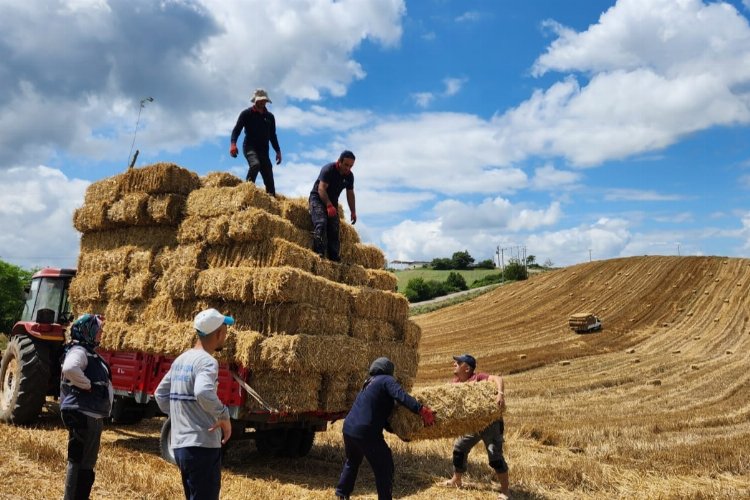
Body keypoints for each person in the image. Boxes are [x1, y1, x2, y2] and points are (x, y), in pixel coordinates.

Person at [155, 308, 235, 500]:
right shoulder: (207, 362)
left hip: (181, 445)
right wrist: (223, 415)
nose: (226, 335)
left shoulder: (181, 360)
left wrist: (182, 415)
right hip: (202, 446)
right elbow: (203, 391)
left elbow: (160, 394)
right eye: (225, 330)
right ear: (218, 333)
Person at [335, 357, 435, 500]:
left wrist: (399, 431)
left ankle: (342, 494)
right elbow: (401, 396)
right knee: (385, 465)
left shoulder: (368, 383)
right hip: (365, 431)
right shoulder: (386, 380)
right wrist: (421, 410)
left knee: (352, 461)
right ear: (389, 371)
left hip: (349, 429)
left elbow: (380, 414)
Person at [60, 313, 113, 500]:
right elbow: (69, 368)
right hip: (83, 413)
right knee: (79, 461)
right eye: (98, 329)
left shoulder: (89, 352)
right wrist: (88, 385)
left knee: (86, 464)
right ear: (87, 331)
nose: (101, 333)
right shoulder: (79, 351)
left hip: (91, 415)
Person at [444, 354, 510, 499]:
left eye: (458, 362)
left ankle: (505, 491)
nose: (454, 363)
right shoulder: (455, 383)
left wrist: (500, 394)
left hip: (490, 424)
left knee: (495, 456)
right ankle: (457, 480)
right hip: (472, 425)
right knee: (459, 448)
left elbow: (498, 378)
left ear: (467, 368)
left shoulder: (478, 378)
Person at [229, 88, 282, 196]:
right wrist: (233, 144)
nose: (263, 102)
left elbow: (273, 135)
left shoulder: (270, 117)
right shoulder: (246, 114)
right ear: (255, 101)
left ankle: (271, 201)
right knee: (255, 165)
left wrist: (278, 151)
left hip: (264, 150)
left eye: (264, 100)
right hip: (249, 147)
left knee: (269, 177)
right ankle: (246, 191)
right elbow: (236, 130)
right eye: (261, 100)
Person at [309, 150, 357, 261]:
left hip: (332, 203)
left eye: (351, 166)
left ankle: (334, 258)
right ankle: (319, 255)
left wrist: (353, 211)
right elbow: (321, 189)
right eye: (346, 165)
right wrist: (329, 205)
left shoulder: (349, 176)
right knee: (321, 222)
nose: (348, 168)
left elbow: (350, 194)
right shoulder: (328, 169)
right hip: (318, 199)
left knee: (334, 229)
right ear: (339, 161)